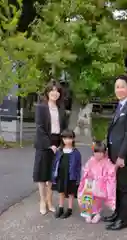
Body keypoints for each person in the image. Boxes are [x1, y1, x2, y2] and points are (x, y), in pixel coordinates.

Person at [103, 75, 127, 230]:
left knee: (123, 187)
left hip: (123, 156)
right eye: (117, 86)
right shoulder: (120, 105)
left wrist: (121, 156)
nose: (119, 89)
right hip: (114, 152)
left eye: (122, 86)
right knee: (117, 185)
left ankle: (123, 220)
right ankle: (117, 214)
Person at [33, 80, 67, 215]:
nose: (55, 93)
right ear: (47, 92)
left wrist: (61, 144)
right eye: (52, 90)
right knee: (42, 174)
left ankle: (49, 200)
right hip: (43, 143)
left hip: (57, 142)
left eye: (57, 90)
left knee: (52, 175)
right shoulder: (41, 107)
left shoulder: (61, 109)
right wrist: (49, 145)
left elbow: (63, 128)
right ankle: (42, 200)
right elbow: (40, 128)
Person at [78, 141, 116, 224]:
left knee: (97, 200)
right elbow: (86, 169)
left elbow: (111, 172)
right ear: (93, 152)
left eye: (101, 152)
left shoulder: (107, 162)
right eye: (96, 152)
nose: (98, 154)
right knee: (87, 197)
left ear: (104, 153)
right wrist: (87, 174)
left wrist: (105, 178)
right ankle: (87, 213)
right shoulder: (91, 160)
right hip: (90, 181)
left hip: (100, 183)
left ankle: (97, 214)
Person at [52, 129, 82, 219]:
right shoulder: (59, 151)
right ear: (62, 139)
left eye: (70, 138)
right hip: (61, 174)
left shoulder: (76, 152)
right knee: (61, 191)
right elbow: (55, 164)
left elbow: (78, 166)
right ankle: (60, 207)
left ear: (73, 139)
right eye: (65, 138)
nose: (67, 140)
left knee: (71, 192)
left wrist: (78, 179)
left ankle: (69, 209)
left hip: (71, 175)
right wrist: (53, 175)